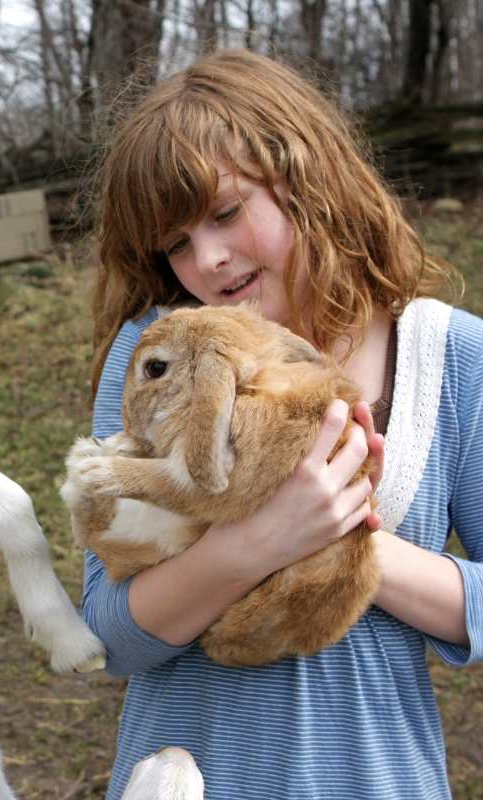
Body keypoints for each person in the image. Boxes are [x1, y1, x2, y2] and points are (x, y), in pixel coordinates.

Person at [83, 49, 482, 799]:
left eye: (226, 213)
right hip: (185, 779)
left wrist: (349, 540)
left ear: (307, 177)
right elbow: (107, 635)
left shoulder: (449, 358)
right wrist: (253, 543)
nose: (207, 259)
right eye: (175, 243)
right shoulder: (157, 358)